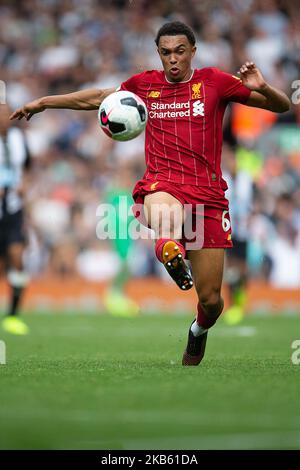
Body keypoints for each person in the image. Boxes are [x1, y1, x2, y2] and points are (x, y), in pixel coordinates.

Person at [10, 21, 290, 364]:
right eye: (166, 52)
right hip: (163, 184)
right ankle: (169, 249)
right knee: (167, 223)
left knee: (212, 300)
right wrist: (44, 102)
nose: (173, 59)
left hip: (209, 197)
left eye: (179, 52)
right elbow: (99, 97)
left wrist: (264, 86)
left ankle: (197, 331)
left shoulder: (214, 82)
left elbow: (281, 107)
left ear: (193, 52)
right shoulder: (143, 85)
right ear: (159, 53)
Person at [1, 104, 31, 335]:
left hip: (13, 209)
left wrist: (24, 184)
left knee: (17, 257)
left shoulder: (18, 138)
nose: (7, 117)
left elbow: (28, 166)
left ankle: (12, 315)